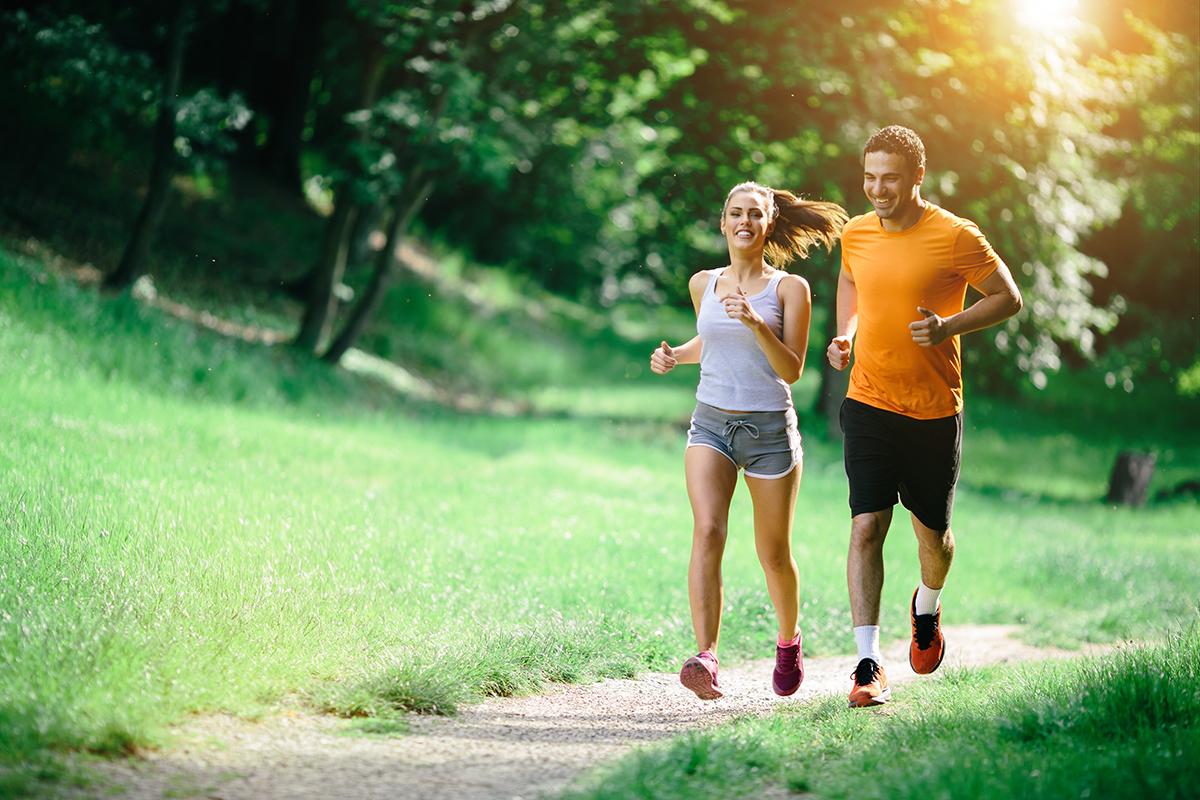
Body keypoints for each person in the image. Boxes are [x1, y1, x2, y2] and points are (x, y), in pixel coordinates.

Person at [827, 125, 1023, 708]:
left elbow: (1008, 297)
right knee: (866, 526)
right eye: (869, 178)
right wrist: (845, 333)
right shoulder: (856, 232)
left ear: (917, 175)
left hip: (934, 411)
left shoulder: (956, 236)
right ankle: (867, 662)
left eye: (889, 178)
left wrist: (946, 327)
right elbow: (849, 281)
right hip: (868, 400)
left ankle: (927, 607)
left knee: (933, 537)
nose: (877, 190)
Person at [650, 181, 847, 700]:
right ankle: (706, 657)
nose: (744, 221)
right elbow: (711, 342)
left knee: (773, 553)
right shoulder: (703, 283)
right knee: (709, 530)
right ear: (723, 222)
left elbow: (793, 368)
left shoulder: (790, 290)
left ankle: (788, 642)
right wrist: (676, 356)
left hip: (769, 432)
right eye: (735, 212)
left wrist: (759, 322)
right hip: (711, 422)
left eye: (755, 214)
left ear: (768, 223)